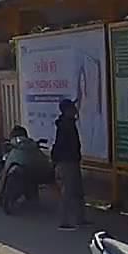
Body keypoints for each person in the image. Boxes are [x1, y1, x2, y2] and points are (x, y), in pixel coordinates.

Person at [51, 98, 85, 230]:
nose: (75, 110)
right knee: (68, 191)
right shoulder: (66, 125)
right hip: (67, 162)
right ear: (66, 110)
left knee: (77, 191)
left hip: (72, 160)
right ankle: (64, 221)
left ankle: (80, 218)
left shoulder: (68, 123)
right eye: (72, 108)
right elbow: (64, 145)